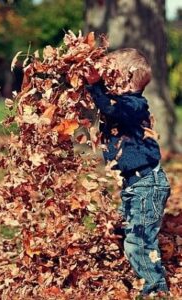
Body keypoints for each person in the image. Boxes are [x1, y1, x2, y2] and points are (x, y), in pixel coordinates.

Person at [85, 48, 171, 297]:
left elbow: (111, 109)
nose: (105, 81)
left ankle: (155, 287)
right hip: (135, 184)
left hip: (147, 184)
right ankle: (135, 271)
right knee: (126, 229)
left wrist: (95, 86)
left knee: (139, 241)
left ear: (124, 78)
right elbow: (106, 105)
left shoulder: (134, 105)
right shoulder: (122, 104)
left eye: (110, 76)